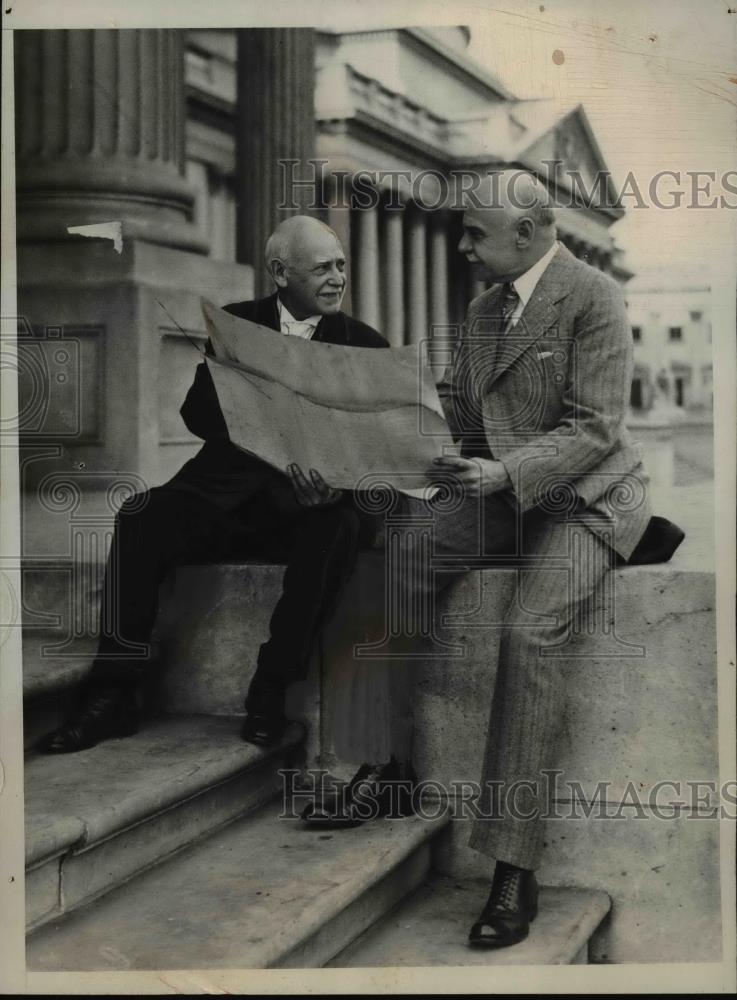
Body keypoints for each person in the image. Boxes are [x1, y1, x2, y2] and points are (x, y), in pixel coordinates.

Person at [38, 216, 415, 811]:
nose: (338, 277)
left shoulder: (364, 343)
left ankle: (270, 688)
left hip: (310, 510)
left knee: (339, 528)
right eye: (323, 267)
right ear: (280, 273)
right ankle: (113, 694)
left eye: (341, 265)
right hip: (227, 498)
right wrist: (254, 389)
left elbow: (383, 451)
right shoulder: (238, 323)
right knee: (140, 514)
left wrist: (337, 488)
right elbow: (196, 415)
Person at [393, 169, 680, 949]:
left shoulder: (594, 296)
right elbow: (462, 410)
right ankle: (388, 763)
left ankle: (512, 869)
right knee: (401, 555)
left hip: (589, 495)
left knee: (528, 631)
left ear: (525, 233)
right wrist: (395, 423)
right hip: (503, 494)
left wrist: (504, 473)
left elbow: (594, 428)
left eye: (472, 233)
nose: (461, 246)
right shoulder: (484, 309)